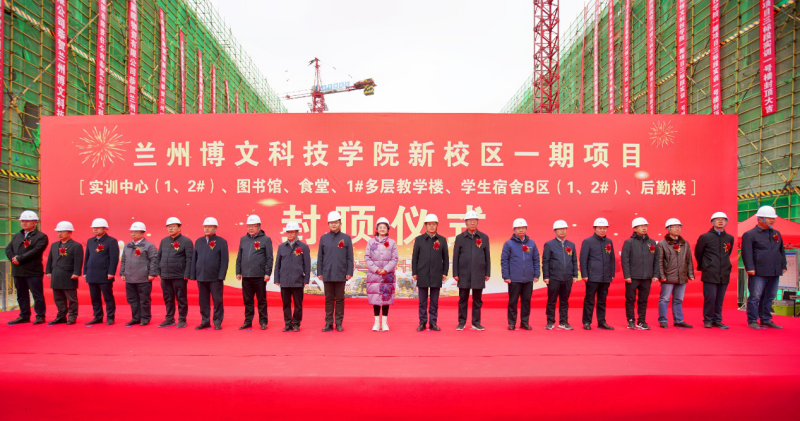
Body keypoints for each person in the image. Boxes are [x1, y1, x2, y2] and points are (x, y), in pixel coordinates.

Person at [742, 205, 787, 329]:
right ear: (759, 219)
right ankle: (752, 320)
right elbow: (746, 252)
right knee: (755, 296)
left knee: (770, 296)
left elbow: (781, 251)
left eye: (773, 218)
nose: (772, 220)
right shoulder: (750, 234)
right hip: (758, 271)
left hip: (774, 270)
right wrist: (749, 267)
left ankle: (766, 319)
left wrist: (783, 265)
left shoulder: (776, 233)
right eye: (769, 218)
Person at [5, 210, 49, 325]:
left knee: (37, 295)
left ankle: (40, 316)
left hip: (33, 271)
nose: (24, 223)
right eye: (22, 221)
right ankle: (24, 315)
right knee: (21, 295)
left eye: (27, 221)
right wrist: (13, 258)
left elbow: (35, 251)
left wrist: (19, 259)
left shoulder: (41, 237)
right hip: (18, 270)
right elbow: (8, 249)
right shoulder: (17, 236)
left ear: (35, 222)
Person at [695, 212, 735, 329]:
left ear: (726, 222)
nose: (720, 221)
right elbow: (698, 253)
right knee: (710, 297)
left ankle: (717, 320)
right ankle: (708, 319)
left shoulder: (729, 238)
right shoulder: (705, 237)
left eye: (723, 219)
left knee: (720, 298)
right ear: (712, 222)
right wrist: (705, 266)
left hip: (724, 272)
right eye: (717, 219)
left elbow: (728, 253)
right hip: (710, 272)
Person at [453, 210, 491, 331]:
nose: (472, 223)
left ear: (478, 222)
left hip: (479, 273)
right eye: (470, 221)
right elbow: (455, 257)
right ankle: (461, 322)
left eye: (474, 221)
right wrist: (455, 273)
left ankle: (476, 322)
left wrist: (487, 272)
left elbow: (487, 256)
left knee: (477, 300)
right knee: (463, 299)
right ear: (466, 223)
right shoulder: (460, 238)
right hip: (463, 273)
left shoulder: (484, 237)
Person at [317, 211, 353, 332]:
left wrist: (349, 272)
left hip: (340, 273)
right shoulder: (324, 238)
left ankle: (338, 323)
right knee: (328, 300)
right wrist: (319, 272)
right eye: (331, 223)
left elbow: (350, 257)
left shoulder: (346, 238)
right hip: (327, 273)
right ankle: (328, 323)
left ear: (340, 223)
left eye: (336, 222)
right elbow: (320, 257)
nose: (333, 224)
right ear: (328, 224)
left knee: (340, 300)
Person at [235, 215, 273, 330]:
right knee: (247, 300)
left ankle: (263, 322)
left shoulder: (266, 239)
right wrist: (238, 271)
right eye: (249, 226)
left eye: (253, 226)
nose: (250, 228)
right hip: (246, 275)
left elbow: (269, 258)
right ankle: (248, 321)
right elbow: (239, 256)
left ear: (259, 226)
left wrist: (267, 273)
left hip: (259, 276)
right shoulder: (243, 239)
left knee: (261, 300)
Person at [411, 214, 449, 332]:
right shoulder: (419, 239)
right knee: (422, 302)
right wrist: (414, 272)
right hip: (422, 273)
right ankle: (422, 322)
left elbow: (446, 258)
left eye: (434, 224)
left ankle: (433, 323)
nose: (431, 226)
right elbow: (415, 257)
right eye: (429, 224)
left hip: (436, 274)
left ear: (437, 225)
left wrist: (444, 272)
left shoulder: (442, 240)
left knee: (434, 301)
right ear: (425, 226)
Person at [501, 218, 540, 330]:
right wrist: (506, 276)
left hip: (528, 278)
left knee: (526, 302)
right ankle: (512, 323)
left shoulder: (532, 243)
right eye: (518, 228)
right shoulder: (508, 244)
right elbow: (504, 261)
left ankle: (524, 322)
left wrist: (536, 274)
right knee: (513, 302)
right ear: (514, 230)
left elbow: (536, 259)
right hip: (514, 278)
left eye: (523, 228)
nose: (521, 230)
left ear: (526, 229)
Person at [190, 217, 229, 330]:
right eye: (205, 227)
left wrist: (221, 275)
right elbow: (194, 258)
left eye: (209, 227)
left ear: (215, 228)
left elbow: (224, 260)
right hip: (201, 276)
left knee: (217, 300)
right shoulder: (198, 241)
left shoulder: (221, 242)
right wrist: (193, 274)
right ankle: (205, 321)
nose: (206, 229)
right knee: (203, 300)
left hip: (215, 277)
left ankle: (217, 321)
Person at [621, 217, 659, 330]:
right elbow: (625, 260)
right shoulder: (629, 242)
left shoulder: (652, 242)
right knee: (630, 299)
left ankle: (641, 321)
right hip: (632, 277)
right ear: (634, 228)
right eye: (641, 226)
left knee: (643, 300)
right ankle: (631, 320)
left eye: (645, 226)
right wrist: (627, 275)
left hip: (647, 277)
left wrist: (655, 274)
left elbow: (656, 259)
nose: (644, 228)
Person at [656, 218, 695, 329]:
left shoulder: (685, 243)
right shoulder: (662, 244)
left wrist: (690, 274)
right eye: (674, 227)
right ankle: (663, 320)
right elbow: (659, 261)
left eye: (679, 227)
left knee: (678, 299)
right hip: (668, 276)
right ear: (668, 229)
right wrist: (662, 275)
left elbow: (689, 259)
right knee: (665, 299)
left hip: (682, 276)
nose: (677, 229)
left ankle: (678, 320)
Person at [156, 217, 193, 328]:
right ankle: (169, 319)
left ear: (179, 228)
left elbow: (189, 259)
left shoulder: (186, 241)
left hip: (179, 275)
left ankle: (182, 319)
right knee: (168, 298)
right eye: (168, 226)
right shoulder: (164, 241)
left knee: (181, 298)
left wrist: (187, 273)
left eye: (173, 226)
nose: (170, 228)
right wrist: (158, 270)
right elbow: (158, 257)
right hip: (165, 275)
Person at [273, 221, 310, 332]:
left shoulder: (303, 247)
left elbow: (307, 264)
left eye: (292, 232)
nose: (289, 234)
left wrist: (306, 279)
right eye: (288, 232)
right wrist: (277, 278)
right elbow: (277, 264)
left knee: (298, 304)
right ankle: (288, 323)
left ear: (297, 232)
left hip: (298, 280)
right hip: (284, 280)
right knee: (286, 304)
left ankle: (297, 323)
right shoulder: (281, 247)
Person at [542, 220, 578, 330]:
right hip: (554, 277)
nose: (562, 231)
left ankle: (563, 322)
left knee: (564, 301)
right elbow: (546, 261)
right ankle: (550, 321)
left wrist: (575, 275)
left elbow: (574, 260)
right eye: (560, 229)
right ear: (555, 231)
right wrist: (546, 276)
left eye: (564, 229)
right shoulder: (549, 244)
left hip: (567, 277)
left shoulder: (571, 245)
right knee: (551, 300)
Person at [120, 222, 158, 326]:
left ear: (142, 233)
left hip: (143, 278)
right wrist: (122, 272)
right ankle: (135, 318)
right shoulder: (127, 246)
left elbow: (154, 260)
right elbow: (123, 260)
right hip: (129, 278)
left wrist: (152, 273)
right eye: (131, 232)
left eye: (136, 232)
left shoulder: (149, 246)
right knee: (132, 299)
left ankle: (145, 318)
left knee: (144, 300)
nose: (133, 234)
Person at [45, 221, 83, 325]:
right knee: (58, 298)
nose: (59, 234)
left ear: (70, 232)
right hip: (56, 275)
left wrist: (76, 273)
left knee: (71, 298)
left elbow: (78, 261)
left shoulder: (76, 246)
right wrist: (48, 271)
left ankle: (72, 316)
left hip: (68, 276)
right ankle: (61, 316)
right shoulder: (54, 245)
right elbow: (50, 259)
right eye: (58, 232)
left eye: (62, 231)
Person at [580, 217, 615, 330]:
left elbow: (612, 259)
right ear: (595, 228)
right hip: (592, 276)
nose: (602, 230)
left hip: (606, 277)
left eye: (604, 228)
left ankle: (601, 321)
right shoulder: (588, 241)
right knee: (589, 300)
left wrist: (612, 273)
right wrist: (584, 274)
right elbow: (583, 259)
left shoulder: (609, 242)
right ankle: (587, 322)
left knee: (602, 301)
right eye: (600, 228)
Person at [83, 218, 119, 326]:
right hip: (92, 273)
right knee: (94, 297)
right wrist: (85, 271)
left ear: (104, 229)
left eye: (97, 228)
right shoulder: (90, 241)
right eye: (93, 228)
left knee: (108, 297)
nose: (95, 229)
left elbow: (114, 258)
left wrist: (111, 272)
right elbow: (87, 257)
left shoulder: (111, 241)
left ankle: (110, 317)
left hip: (104, 274)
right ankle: (97, 317)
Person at [365, 217, 398, 331]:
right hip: (374, 275)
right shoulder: (371, 242)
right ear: (377, 229)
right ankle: (375, 323)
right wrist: (376, 269)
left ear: (388, 229)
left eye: (384, 227)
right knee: (375, 298)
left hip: (387, 275)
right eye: (380, 227)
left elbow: (394, 258)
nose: (382, 229)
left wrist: (386, 269)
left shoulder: (392, 243)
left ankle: (384, 323)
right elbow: (367, 257)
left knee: (385, 299)